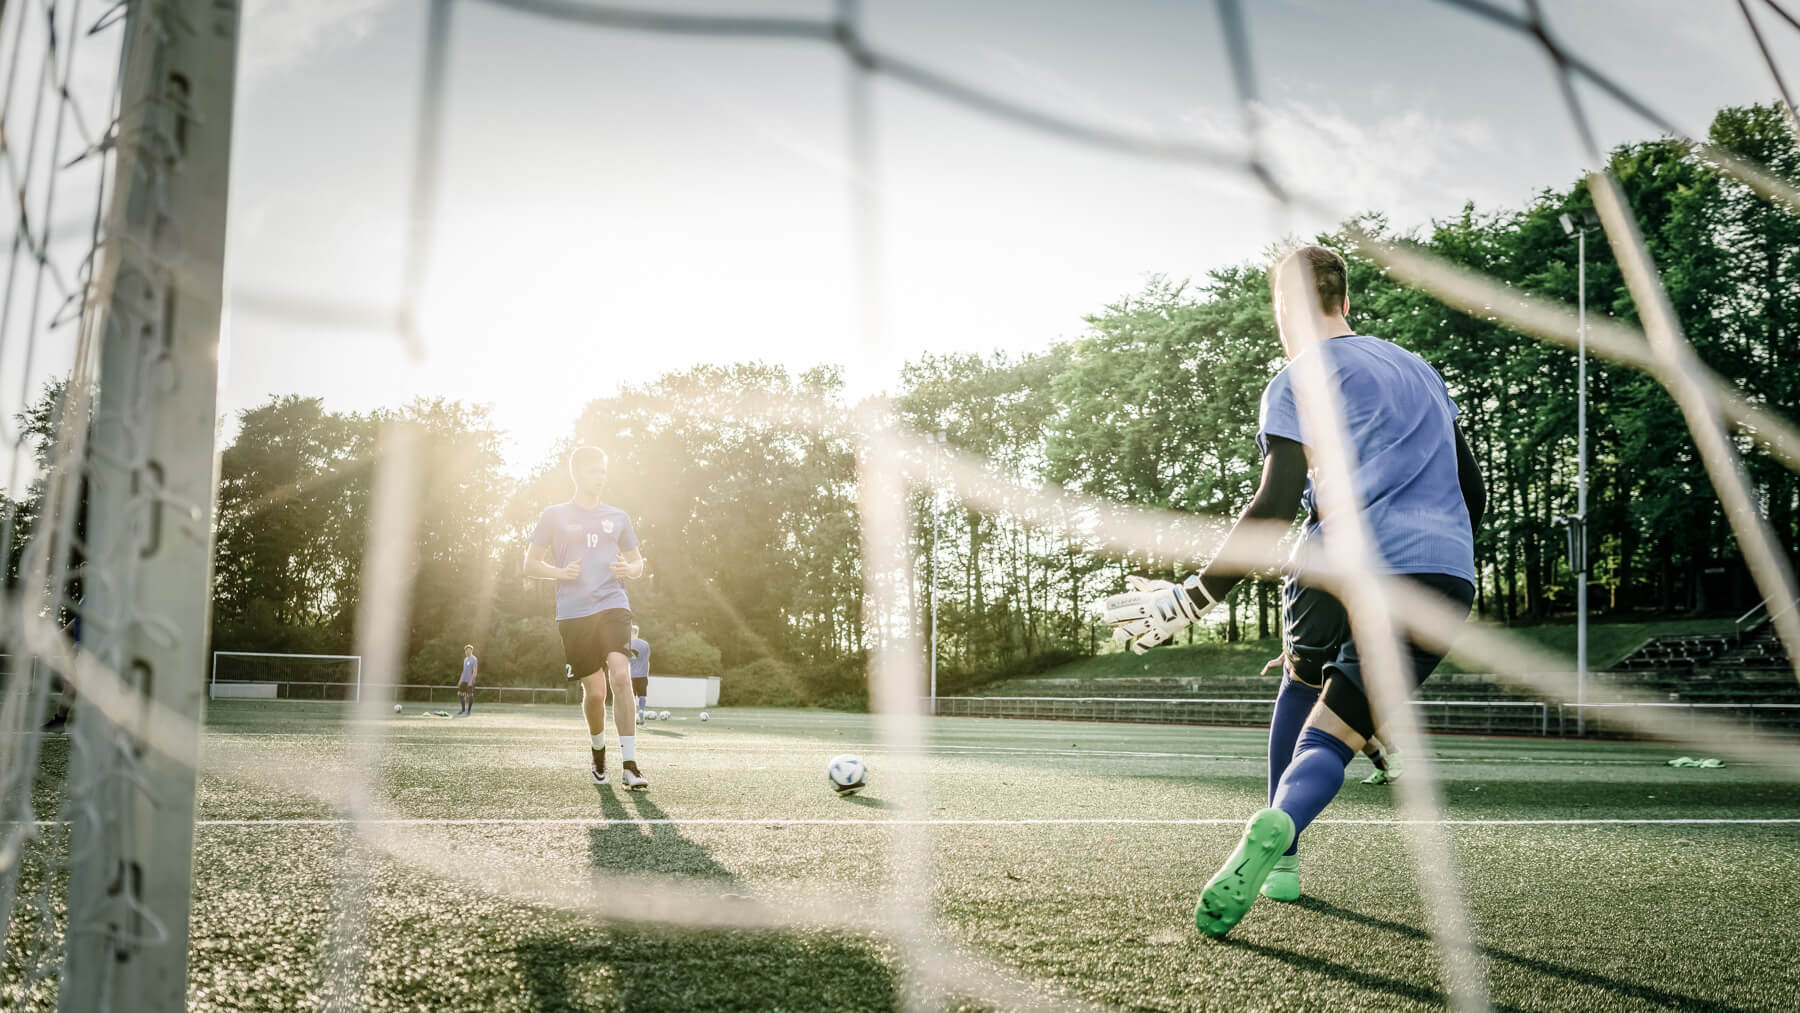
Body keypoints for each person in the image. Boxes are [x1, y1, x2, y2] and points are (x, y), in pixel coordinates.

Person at [1102, 245, 1483, 935]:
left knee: (1301, 685)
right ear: (1345, 300)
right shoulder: (1421, 370)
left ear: (1286, 309)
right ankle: (1282, 821)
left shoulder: (1298, 376)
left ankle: (1284, 864)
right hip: (1441, 572)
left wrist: (1194, 595)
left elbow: (1275, 501)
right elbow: (1473, 491)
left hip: (1336, 560)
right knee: (1334, 738)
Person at [524, 446, 649, 789]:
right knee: (594, 692)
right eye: (596, 471)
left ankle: (630, 765)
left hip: (612, 602)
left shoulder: (619, 516)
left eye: (604, 471)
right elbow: (530, 564)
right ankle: (598, 754)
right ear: (577, 474)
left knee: (620, 676)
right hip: (574, 611)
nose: (602, 477)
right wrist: (560, 573)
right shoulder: (554, 515)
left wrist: (630, 568)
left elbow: (638, 564)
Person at [627, 625, 651, 725]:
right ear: (637, 632)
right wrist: (647, 674)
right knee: (642, 695)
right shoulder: (645, 644)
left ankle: (632, 715)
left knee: (631, 697)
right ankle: (641, 711)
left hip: (631, 675)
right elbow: (647, 660)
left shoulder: (626, 645)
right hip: (642, 674)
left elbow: (625, 661)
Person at [456, 645, 478, 716]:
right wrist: (460, 680)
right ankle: (463, 709)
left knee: (470, 695)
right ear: (465, 651)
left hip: (470, 680)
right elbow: (463, 671)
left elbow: (475, 671)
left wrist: (471, 681)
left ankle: (469, 711)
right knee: (460, 694)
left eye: (469, 650)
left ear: (471, 650)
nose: (467, 651)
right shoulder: (465, 659)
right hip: (463, 680)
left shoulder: (474, 659)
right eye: (466, 650)